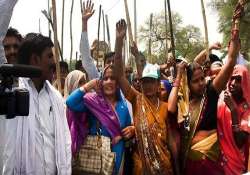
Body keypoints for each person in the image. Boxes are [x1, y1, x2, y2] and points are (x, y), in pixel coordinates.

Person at [2, 34, 72, 175]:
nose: (54, 62)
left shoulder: (56, 98)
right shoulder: (13, 93)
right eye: (49, 56)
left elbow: (66, 142)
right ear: (35, 59)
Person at [114, 19, 176, 175]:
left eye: (151, 82)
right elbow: (119, 74)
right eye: (145, 82)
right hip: (142, 169)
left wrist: (178, 167)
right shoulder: (136, 99)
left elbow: (170, 141)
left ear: (157, 84)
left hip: (164, 167)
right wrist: (119, 41)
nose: (148, 85)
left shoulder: (164, 107)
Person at [180, 30, 240, 174]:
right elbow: (192, 64)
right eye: (195, 81)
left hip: (210, 165)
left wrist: (235, 29)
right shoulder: (184, 103)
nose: (201, 83)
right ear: (187, 84)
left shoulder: (211, 93)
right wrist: (208, 48)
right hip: (190, 166)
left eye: (202, 78)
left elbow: (231, 61)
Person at [66, 65, 134, 175]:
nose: (109, 82)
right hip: (94, 161)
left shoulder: (123, 107)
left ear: (117, 84)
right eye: (105, 78)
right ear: (100, 82)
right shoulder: (92, 101)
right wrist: (89, 85)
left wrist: (132, 129)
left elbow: (128, 133)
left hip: (117, 159)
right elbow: (70, 102)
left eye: (113, 78)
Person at [217, 65, 250, 175]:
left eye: (238, 80)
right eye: (232, 78)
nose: (233, 83)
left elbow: (240, 142)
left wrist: (234, 111)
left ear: (245, 83)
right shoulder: (221, 97)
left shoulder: (247, 108)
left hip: (235, 163)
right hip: (216, 158)